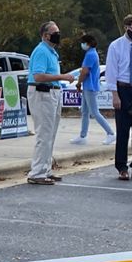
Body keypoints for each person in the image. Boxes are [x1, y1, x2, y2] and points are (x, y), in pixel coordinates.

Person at [27, 20, 75, 185]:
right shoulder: (41, 51)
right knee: (44, 134)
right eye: (55, 32)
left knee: (50, 134)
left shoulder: (51, 52)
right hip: (42, 92)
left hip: (52, 92)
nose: (58, 35)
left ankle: (45, 169)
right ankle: (37, 172)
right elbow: (38, 76)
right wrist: (62, 77)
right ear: (46, 35)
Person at [105, 14, 132, 181]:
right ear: (126, 28)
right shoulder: (116, 46)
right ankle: (121, 166)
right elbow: (111, 71)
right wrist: (114, 94)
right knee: (123, 131)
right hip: (122, 88)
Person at [70, 33, 115, 146]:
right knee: (84, 112)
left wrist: (79, 82)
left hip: (90, 86)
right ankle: (82, 136)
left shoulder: (90, 55)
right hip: (88, 86)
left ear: (88, 43)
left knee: (94, 112)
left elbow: (85, 71)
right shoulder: (92, 53)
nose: (82, 45)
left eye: (83, 42)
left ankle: (110, 133)